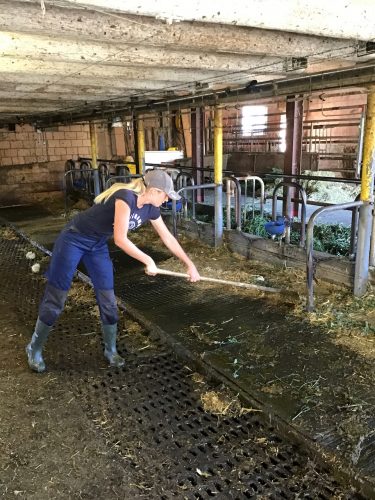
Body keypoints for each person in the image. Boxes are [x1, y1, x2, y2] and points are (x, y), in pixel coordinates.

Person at [26, 169, 200, 373]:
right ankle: (34, 348)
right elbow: (120, 239)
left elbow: (168, 238)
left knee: (107, 296)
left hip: (97, 244)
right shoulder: (125, 198)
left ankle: (111, 350)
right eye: (166, 195)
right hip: (74, 239)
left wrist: (189, 264)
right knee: (57, 296)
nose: (167, 199)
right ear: (153, 191)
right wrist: (148, 259)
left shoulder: (152, 208)